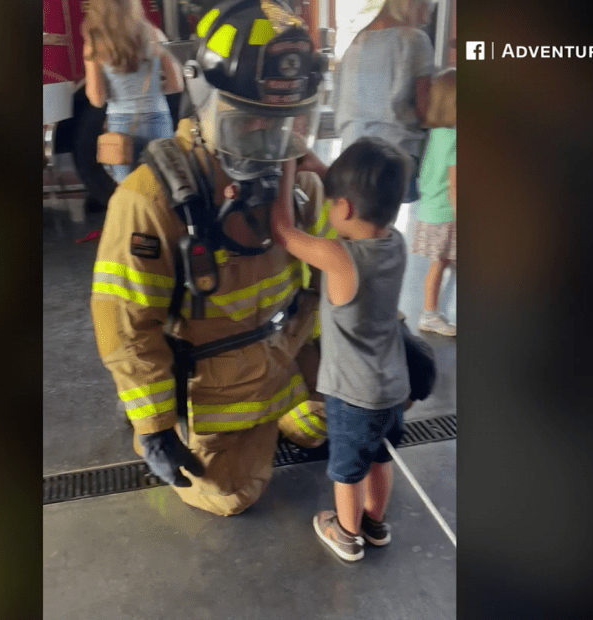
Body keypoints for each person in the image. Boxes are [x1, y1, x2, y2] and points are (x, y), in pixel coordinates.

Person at [91, 0, 333, 516]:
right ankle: (183, 430)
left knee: (383, 397)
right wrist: (155, 426)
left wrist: (392, 331)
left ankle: (274, 417)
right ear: (204, 99)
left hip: (283, 359)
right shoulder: (148, 201)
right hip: (214, 383)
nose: (270, 141)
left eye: (287, 123)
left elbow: (344, 268)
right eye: (249, 121)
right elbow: (126, 324)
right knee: (230, 494)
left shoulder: (303, 184)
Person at [271, 137, 411, 562]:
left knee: (346, 472)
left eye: (333, 203)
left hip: (353, 396)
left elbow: (283, 232)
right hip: (392, 388)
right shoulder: (397, 242)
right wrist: (323, 169)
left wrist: (285, 170)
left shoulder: (338, 257)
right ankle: (374, 521)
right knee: (380, 458)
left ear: (345, 209)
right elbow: (361, 204)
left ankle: (347, 534)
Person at [332, 0, 434, 203]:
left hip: (351, 155)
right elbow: (425, 111)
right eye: (423, 8)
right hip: (395, 157)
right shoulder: (414, 39)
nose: (424, 19)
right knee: (385, 228)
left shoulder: (356, 40)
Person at [82, 0, 184, 183]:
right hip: (158, 119)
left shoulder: (95, 42)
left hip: (120, 125)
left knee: (127, 191)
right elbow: (176, 85)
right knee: (167, 188)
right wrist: (154, 89)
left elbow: (97, 99)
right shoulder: (154, 34)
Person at [414, 68, 456, 335]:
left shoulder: (438, 134)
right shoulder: (456, 138)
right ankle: (429, 314)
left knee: (441, 262)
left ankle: (432, 312)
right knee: (439, 264)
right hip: (445, 212)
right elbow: (455, 183)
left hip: (431, 207)